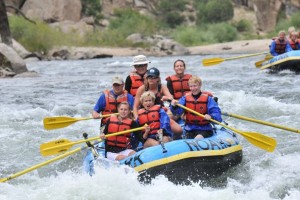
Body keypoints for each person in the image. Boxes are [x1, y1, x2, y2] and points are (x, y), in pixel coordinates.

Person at [133, 67, 183, 138]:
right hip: (146, 116)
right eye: (149, 77)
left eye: (153, 77)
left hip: (160, 115)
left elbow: (170, 97)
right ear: (147, 78)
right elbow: (135, 107)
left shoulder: (161, 87)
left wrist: (166, 98)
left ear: (157, 79)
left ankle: (173, 139)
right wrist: (137, 119)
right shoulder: (141, 89)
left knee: (179, 130)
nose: (151, 79)